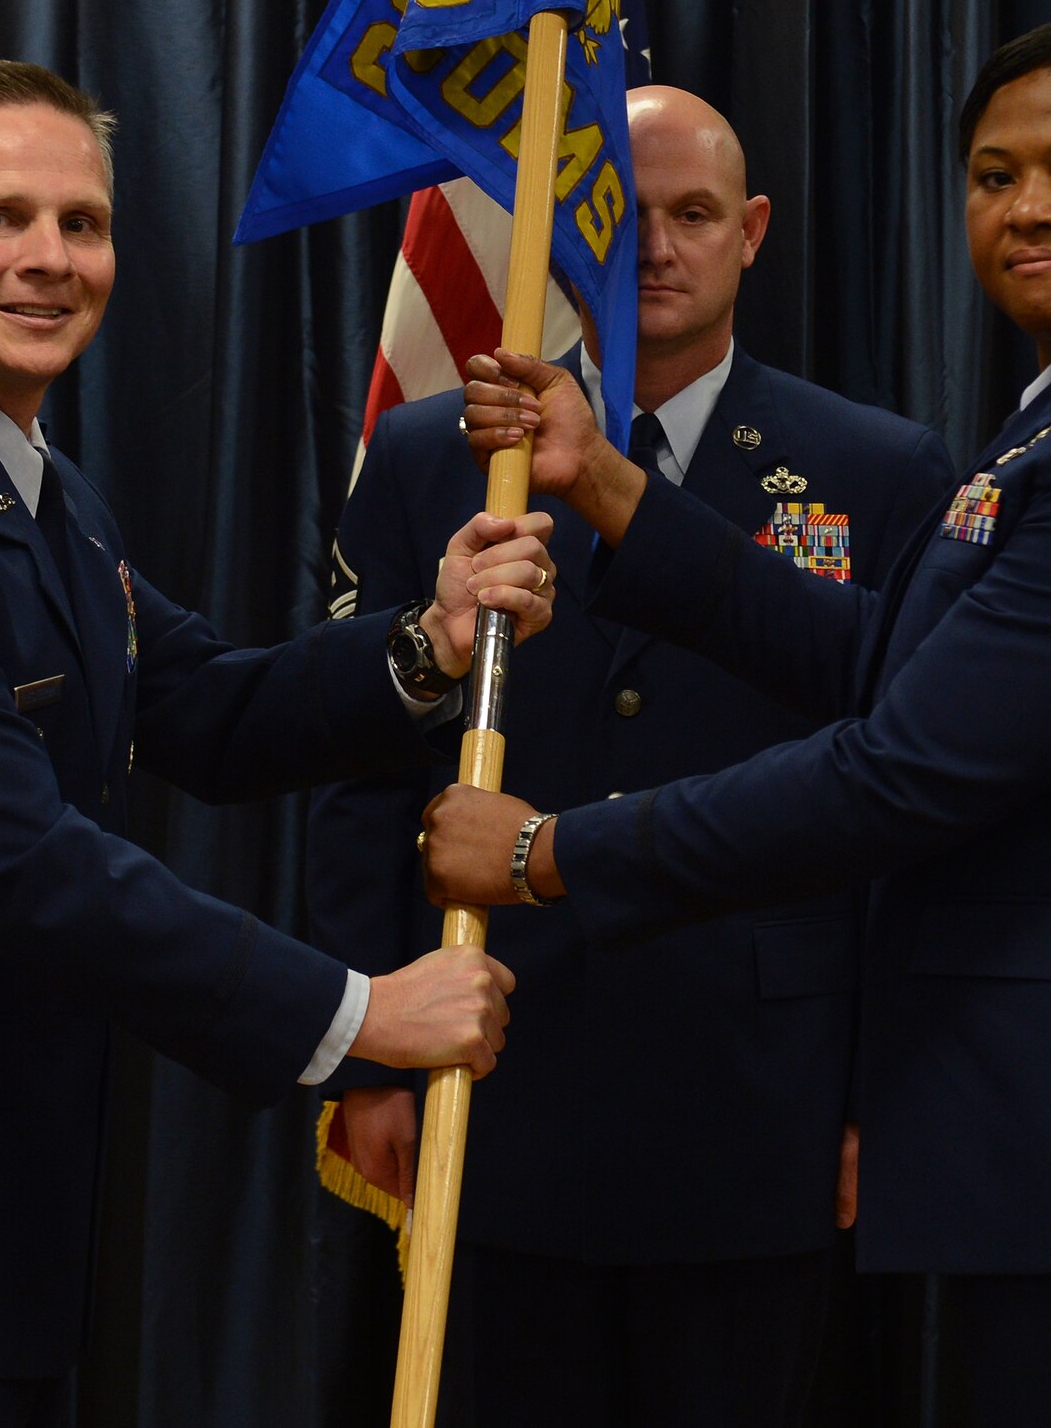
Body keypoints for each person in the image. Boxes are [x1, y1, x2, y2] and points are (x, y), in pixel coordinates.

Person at [425, 20, 1051, 1425]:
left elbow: (902, 771)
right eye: (995, 174)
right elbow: (893, 654)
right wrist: (612, 494)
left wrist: (547, 855)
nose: (1027, 209)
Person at [0, 60, 551, 1427]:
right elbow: (30, 868)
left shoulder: (36, 488)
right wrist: (359, 1013)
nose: (47, 260)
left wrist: (429, 643)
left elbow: (201, 707)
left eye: (81, 224)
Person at [307, 86, 953, 1427]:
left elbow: (910, 806)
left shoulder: (878, 469)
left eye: (695, 216)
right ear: (568, 228)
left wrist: (879, 1096)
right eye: (627, 216)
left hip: (758, 1092)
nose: (658, 248)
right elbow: (362, 762)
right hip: (498, 1073)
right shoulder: (437, 455)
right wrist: (368, 1055)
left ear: (753, 231)